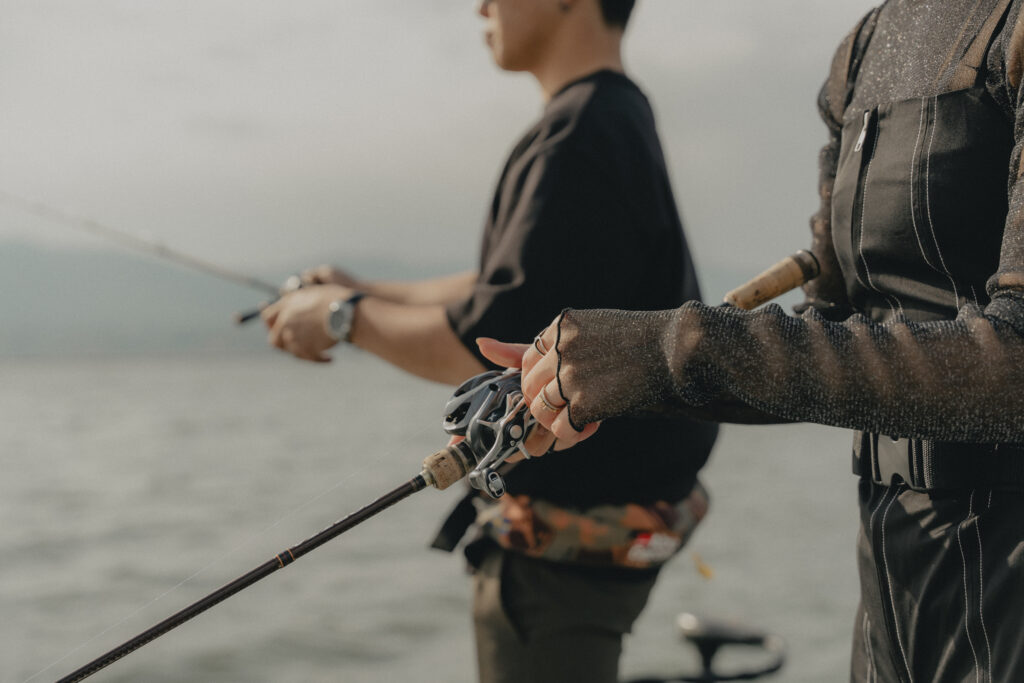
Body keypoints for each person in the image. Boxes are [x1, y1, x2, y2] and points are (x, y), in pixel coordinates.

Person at [481, 1, 1024, 681]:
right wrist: (620, 376)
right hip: (892, 592)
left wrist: (674, 347)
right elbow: (825, 338)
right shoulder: (862, 51)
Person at [261, 1, 719, 681]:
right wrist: (366, 292)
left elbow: (485, 339)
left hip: (563, 558)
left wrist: (342, 318)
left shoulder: (581, 134)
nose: (479, 5)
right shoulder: (608, 117)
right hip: (601, 542)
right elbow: (511, 287)